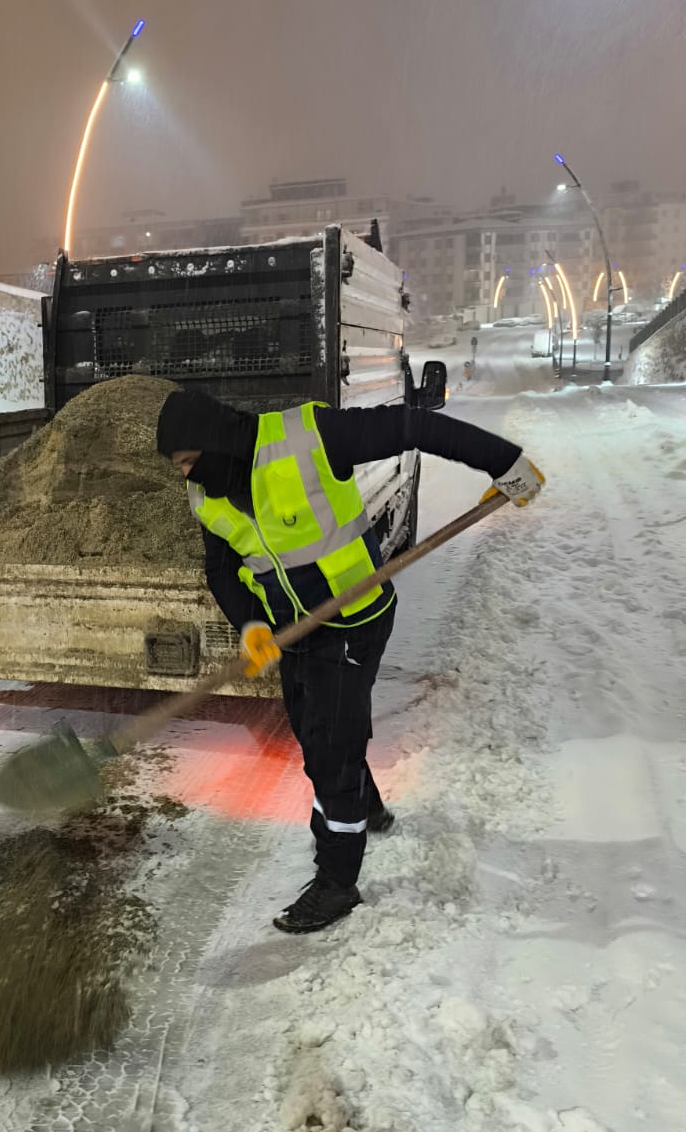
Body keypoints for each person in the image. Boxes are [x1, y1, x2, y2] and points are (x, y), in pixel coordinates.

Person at [155, 389, 543, 934]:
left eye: (189, 462)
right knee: (315, 732)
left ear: (214, 442)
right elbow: (220, 568)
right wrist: (251, 623)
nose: (188, 477)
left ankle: (337, 883)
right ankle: (368, 805)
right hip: (294, 630)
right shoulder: (207, 495)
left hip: (354, 618)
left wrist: (504, 461)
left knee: (330, 754)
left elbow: (413, 426)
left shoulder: (308, 438)